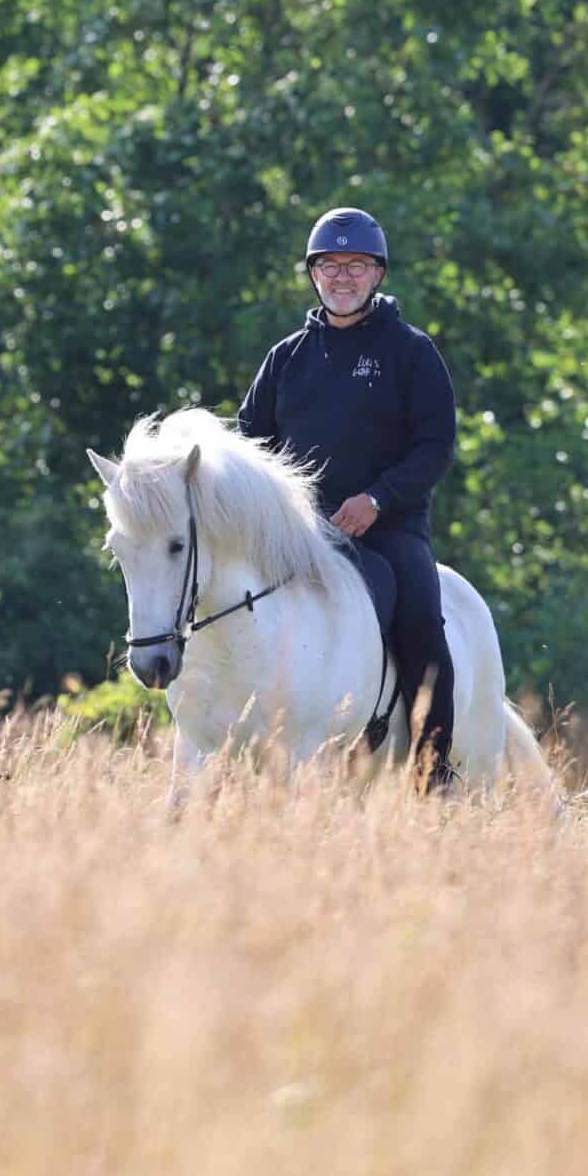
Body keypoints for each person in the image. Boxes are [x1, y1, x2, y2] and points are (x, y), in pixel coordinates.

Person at [235, 207, 460, 784]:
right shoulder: (285, 357)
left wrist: (377, 500)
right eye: (329, 265)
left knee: (421, 622)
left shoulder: (412, 351)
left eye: (356, 265)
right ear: (313, 274)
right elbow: (251, 443)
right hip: (298, 532)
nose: (342, 277)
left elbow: (435, 446)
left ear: (378, 275)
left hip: (388, 527)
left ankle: (433, 768)